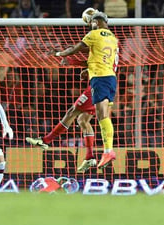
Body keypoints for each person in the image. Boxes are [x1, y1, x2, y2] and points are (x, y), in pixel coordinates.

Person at [48, 12, 119, 169]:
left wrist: (59, 53)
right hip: (110, 78)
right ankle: (100, 154)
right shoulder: (114, 39)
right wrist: (87, 69)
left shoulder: (94, 33)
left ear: (96, 22)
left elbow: (75, 48)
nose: (91, 25)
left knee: (98, 116)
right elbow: (100, 59)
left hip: (100, 79)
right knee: (92, 118)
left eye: (92, 22)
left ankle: (108, 151)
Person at [26, 62, 97, 173]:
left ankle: (46, 140)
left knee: (71, 112)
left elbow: (83, 53)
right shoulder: (108, 52)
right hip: (103, 85)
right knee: (82, 120)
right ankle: (90, 156)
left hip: (97, 86)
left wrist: (67, 59)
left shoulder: (98, 48)